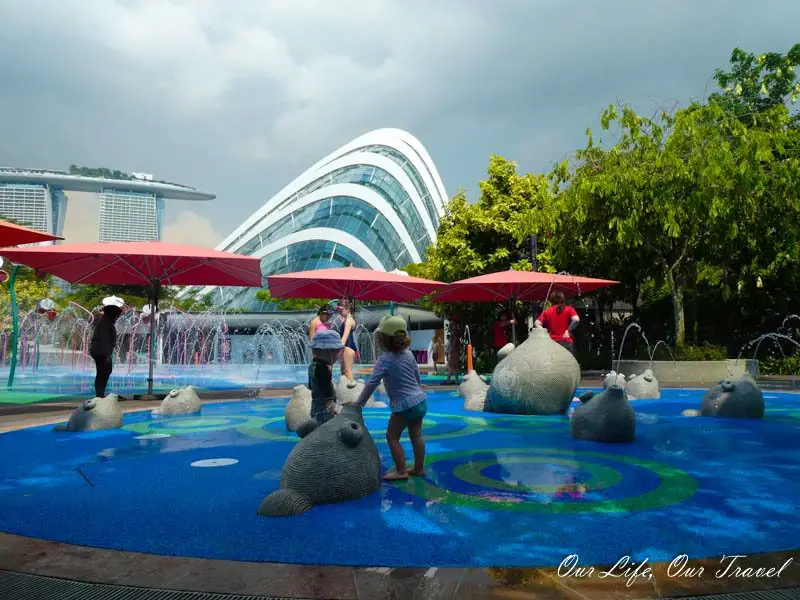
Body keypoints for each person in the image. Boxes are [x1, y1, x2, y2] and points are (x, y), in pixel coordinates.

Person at [355, 316, 426, 481]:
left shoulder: (384, 360)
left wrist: (359, 404)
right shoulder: (409, 354)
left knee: (392, 436)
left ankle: (401, 471)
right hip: (420, 401)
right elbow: (416, 375)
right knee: (416, 435)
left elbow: (372, 383)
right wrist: (418, 389)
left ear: (383, 340)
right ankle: (418, 468)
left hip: (404, 405)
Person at [89, 296, 124, 398]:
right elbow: (104, 341)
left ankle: (100, 394)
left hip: (100, 351)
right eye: (116, 316)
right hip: (101, 351)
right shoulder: (105, 324)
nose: (117, 318)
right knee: (103, 372)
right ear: (111, 315)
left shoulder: (106, 322)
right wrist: (107, 356)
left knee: (104, 371)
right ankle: (99, 395)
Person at [308, 329, 344, 425]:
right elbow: (327, 391)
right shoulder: (322, 370)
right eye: (337, 352)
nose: (338, 356)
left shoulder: (313, 366)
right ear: (328, 352)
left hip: (315, 408)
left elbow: (311, 387)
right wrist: (332, 406)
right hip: (325, 411)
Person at [332, 298, 358, 386]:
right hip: (348, 348)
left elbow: (344, 337)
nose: (339, 312)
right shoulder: (348, 319)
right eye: (338, 310)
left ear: (347, 309)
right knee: (343, 372)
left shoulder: (349, 321)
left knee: (347, 372)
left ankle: (352, 392)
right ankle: (347, 392)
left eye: (340, 309)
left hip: (347, 348)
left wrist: (337, 350)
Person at [443, 315, 462, 384]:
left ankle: (448, 380)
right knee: (455, 366)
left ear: (454, 322)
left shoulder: (454, 331)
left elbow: (454, 340)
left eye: (451, 320)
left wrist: (451, 350)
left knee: (451, 365)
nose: (450, 322)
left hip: (454, 351)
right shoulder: (456, 330)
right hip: (456, 351)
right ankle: (456, 380)